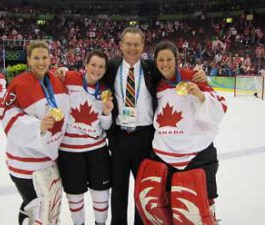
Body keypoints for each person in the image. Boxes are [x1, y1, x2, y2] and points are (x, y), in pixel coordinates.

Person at [102, 27, 208, 225]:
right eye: (128, 44)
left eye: (136, 44)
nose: (132, 48)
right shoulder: (111, 67)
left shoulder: (153, 68)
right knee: (118, 190)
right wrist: (63, 72)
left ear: (143, 46)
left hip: (145, 138)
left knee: (143, 190)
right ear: (121, 45)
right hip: (119, 139)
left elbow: (175, 72)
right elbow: (90, 73)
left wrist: (198, 75)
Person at [135, 40, 227, 225]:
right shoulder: (156, 83)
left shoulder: (191, 77)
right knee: (166, 205)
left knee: (200, 207)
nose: (165, 63)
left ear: (176, 59)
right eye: (161, 60)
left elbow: (221, 105)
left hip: (197, 154)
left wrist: (200, 95)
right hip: (163, 154)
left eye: (169, 59)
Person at [0, 40, 70, 225]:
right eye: (36, 58)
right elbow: (6, 116)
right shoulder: (19, 83)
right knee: (33, 205)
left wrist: (65, 72)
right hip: (24, 162)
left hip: (48, 160)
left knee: (48, 207)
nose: (41, 62)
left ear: (50, 59)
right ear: (28, 60)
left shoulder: (55, 80)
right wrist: (37, 126)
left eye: (45, 57)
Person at [57, 50, 113, 225]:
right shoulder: (70, 78)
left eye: (101, 67)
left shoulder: (105, 91)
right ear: (86, 64)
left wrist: (106, 113)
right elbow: (52, 82)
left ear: (105, 70)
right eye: (93, 65)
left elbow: (106, 126)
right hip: (69, 151)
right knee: (74, 195)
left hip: (97, 150)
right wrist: (61, 70)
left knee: (101, 192)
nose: (96, 70)